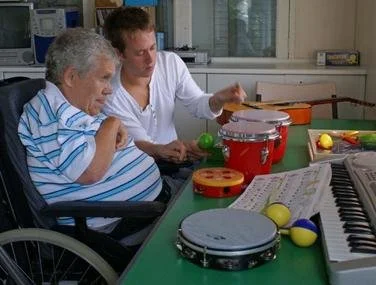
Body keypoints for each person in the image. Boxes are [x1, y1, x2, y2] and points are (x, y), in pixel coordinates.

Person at [17, 28, 169, 237]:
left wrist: (110, 125)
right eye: (104, 78)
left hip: (148, 207)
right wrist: (112, 123)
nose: (109, 89)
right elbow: (90, 171)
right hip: (121, 224)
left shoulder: (71, 107)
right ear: (71, 76)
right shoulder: (52, 117)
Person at [102, 6, 247, 166]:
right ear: (119, 54)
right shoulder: (110, 93)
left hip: (175, 160)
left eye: (153, 47)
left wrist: (218, 99)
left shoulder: (170, 63)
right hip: (140, 169)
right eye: (140, 53)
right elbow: (139, 143)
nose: (151, 59)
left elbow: (197, 104)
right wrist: (172, 149)